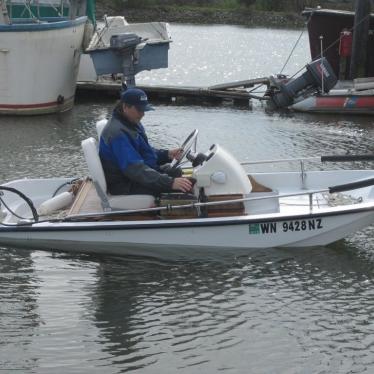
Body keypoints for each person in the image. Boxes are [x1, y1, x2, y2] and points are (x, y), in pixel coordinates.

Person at [99, 88, 193, 196]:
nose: (143, 114)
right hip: (125, 185)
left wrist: (167, 154)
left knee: (175, 171)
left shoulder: (131, 123)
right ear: (125, 107)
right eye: (139, 110)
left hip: (133, 177)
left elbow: (144, 151)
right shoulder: (117, 134)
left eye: (144, 110)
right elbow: (135, 169)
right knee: (182, 190)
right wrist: (170, 183)